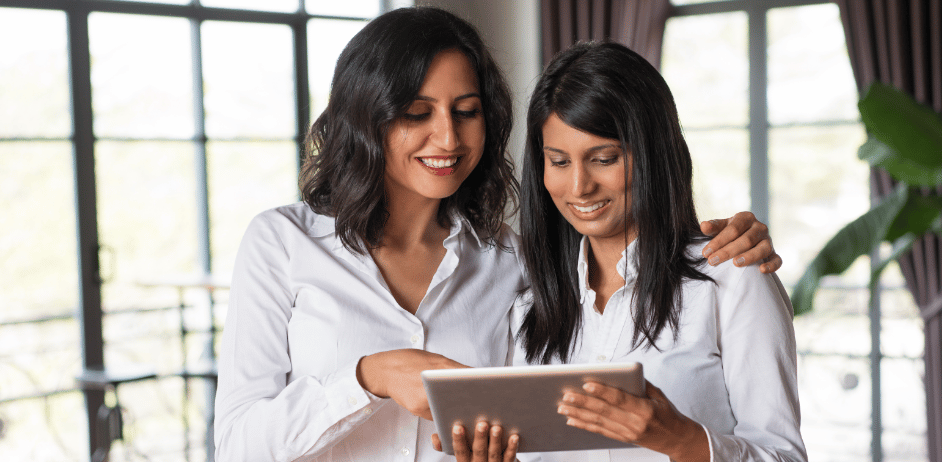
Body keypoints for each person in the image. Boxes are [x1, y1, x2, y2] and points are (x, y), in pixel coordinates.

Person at [213, 8, 781, 462]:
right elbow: (237, 448)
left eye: (466, 111)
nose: (447, 137)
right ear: (367, 117)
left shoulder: (512, 263)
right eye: (416, 112)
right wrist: (370, 376)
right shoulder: (283, 244)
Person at [451, 41, 806, 461]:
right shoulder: (529, 307)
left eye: (604, 158)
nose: (580, 186)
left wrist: (679, 439)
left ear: (654, 154)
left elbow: (785, 456)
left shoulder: (730, 277)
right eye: (559, 161)